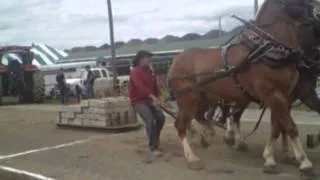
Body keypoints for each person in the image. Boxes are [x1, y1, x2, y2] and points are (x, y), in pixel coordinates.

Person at [129, 50, 166, 157]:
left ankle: (155, 138)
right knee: (150, 120)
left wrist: (159, 96)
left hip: (149, 100)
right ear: (141, 59)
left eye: (150, 58)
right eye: (148, 58)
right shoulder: (135, 71)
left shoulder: (150, 71)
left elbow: (155, 85)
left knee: (161, 118)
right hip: (138, 101)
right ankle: (152, 147)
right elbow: (140, 86)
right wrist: (152, 97)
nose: (150, 60)